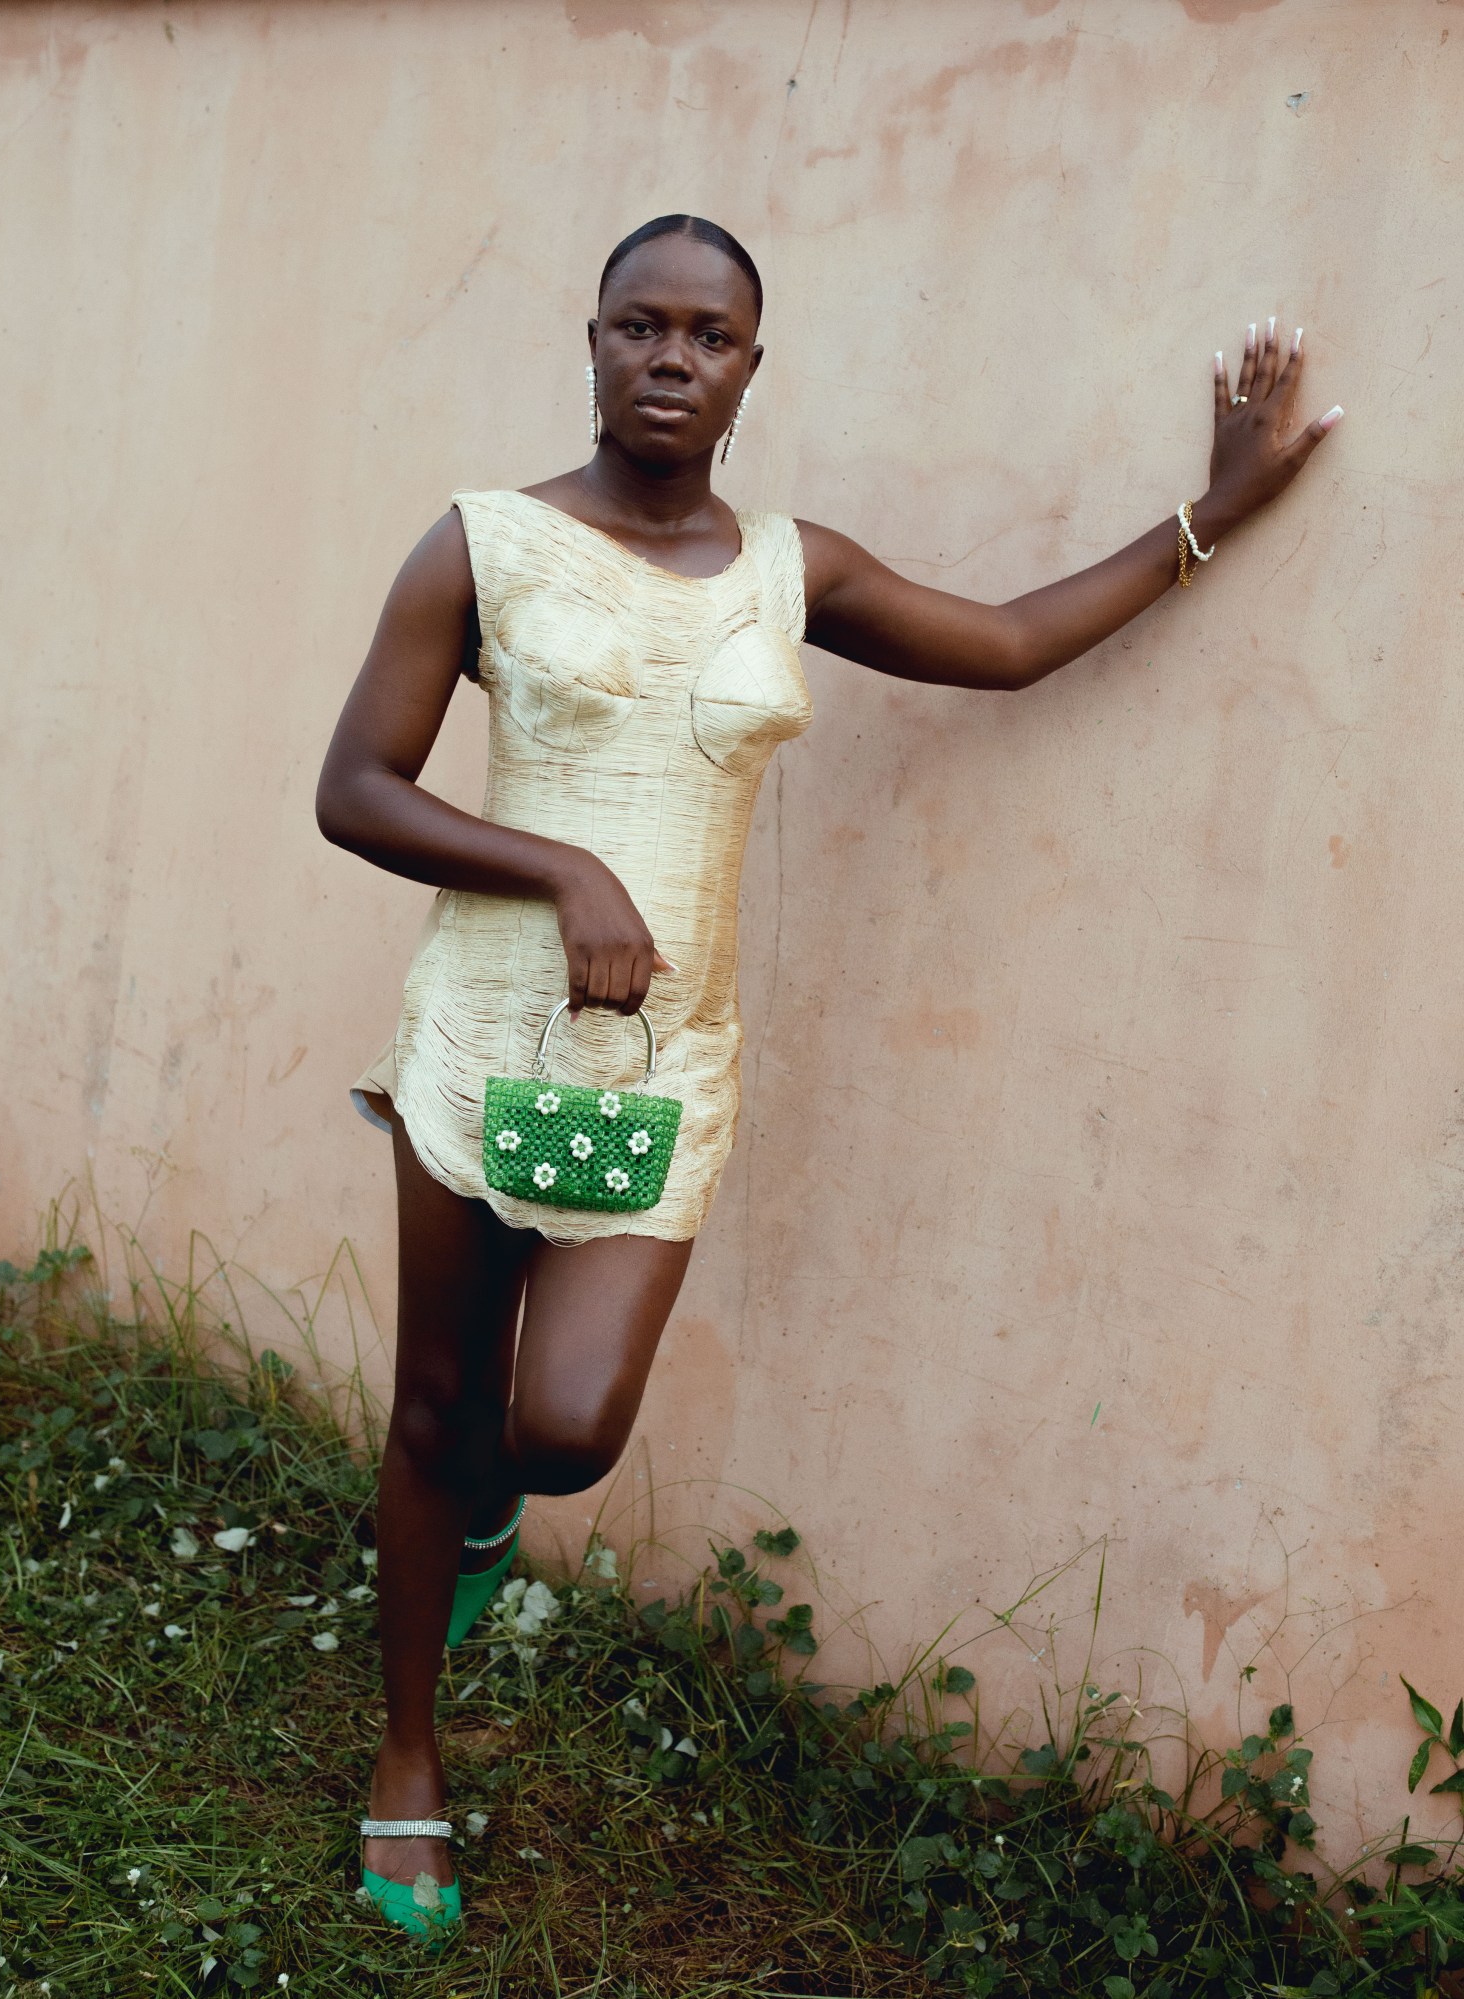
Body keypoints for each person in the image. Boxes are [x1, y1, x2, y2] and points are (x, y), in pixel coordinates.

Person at [314, 213, 1342, 1938]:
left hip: (665, 1066)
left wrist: (1214, 511)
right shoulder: (481, 545)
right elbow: (356, 786)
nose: (669, 357)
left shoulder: (799, 567)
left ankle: (478, 1516)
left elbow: (1008, 645)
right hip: (480, 1041)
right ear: (589, 342)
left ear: (749, 370)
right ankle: (408, 1758)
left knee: (559, 1428)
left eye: (707, 336)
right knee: (433, 1403)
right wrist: (564, 870)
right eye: (639, 325)